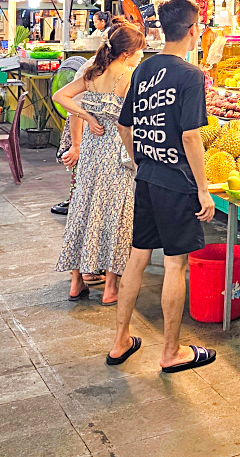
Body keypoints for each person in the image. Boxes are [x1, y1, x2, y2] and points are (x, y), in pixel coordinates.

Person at [106, 0, 216, 372]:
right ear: (192, 29)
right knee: (175, 264)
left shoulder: (144, 68)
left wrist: (139, 159)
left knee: (138, 257)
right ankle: (171, 352)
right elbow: (190, 137)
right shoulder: (190, 75)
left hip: (148, 176)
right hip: (177, 181)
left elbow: (124, 126)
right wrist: (203, 188)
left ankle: (120, 341)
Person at [53, 22, 146, 305]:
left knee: (83, 210)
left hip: (92, 153)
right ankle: (110, 288)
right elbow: (127, 123)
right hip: (117, 154)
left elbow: (60, 96)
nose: (141, 57)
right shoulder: (129, 76)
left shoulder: (93, 72)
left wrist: (88, 116)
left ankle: (76, 281)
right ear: (128, 53)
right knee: (115, 216)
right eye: (140, 52)